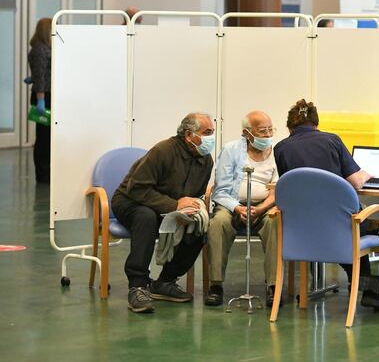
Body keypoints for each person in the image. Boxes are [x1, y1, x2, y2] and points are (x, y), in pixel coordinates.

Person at [273, 99, 379, 310]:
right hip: (338, 227)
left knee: (348, 227)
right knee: (368, 224)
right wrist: (367, 173)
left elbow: (291, 184)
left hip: (300, 228)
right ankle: (369, 288)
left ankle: (360, 284)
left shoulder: (280, 149)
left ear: (290, 127)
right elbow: (355, 181)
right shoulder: (332, 140)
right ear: (316, 123)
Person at [111, 112, 215, 313]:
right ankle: (137, 286)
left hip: (167, 207)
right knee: (146, 217)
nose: (211, 138)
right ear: (188, 135)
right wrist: (174, 206)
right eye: (207, 133)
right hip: (130, 201)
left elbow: (197, 194)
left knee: (200, 225)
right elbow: (137, 188)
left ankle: (165, 282)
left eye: (212, 133)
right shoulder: (163, 151)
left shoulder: (206, 160)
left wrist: (190, 210)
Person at [205, 110, 279, 307]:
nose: (268, 135)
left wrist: (261, 208)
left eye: (271, 130)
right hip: (231, 204)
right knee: (218, 223)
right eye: (262, 131)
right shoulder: (230, 150)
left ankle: (273, 286)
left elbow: (278, 189)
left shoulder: (277, 152)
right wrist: (238, 208)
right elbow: (219, 190)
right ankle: (216, 284)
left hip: (264, 206)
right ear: (247, 133)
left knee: (275, 222)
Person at [28, 17, 52, 183]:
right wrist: (41, 100)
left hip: (48, 94)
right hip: (44, 96)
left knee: (48, 136)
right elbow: (40, 76)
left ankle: (47, 170)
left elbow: (43, 72)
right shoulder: (39, 49)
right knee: (43, 137)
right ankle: (43, 174)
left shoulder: (45, 48)